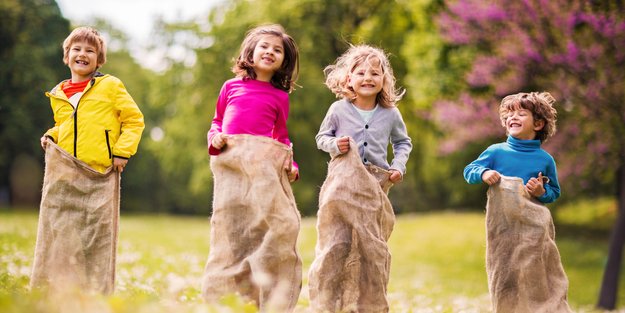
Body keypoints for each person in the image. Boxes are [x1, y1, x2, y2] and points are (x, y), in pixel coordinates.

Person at [31, 26, 145, 295]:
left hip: (99, 172)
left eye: (90, 51)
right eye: (77, 49)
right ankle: (55, 287)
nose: (83, 54)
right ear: (67, 55)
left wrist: (121, 151)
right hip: (67, 173)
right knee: (61, 232)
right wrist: (52, 134)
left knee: (95, 236)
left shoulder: (110, 86)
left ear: (99, 59)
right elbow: (66, 126)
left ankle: (93, 291)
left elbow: (134, 120)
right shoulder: (58, 94)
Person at [201, 24, 302, 312]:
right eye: (264, 46)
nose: (270, 52)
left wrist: (290, 163)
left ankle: (267, 292)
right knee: (231, 232)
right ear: (251, 52)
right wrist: (214, 138)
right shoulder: (230, 86)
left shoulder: (279, 96)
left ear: (284, 61)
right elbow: (217, 121)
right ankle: (225, 295)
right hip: (231, 168)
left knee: (263, 227)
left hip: (261, 171)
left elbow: (280, 138)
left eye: (277, 50)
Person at [309, 44, 412, 313]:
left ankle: (369, 305)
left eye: (375, 73)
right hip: (342, 183)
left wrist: (397, 166)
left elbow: (403, 143)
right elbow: (322, 138)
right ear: (349, 79)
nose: (368, 78)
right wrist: (334, 145)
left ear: (384, 80)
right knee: (337, 242)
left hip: (375, 185)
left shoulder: (390, 113)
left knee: (371, 244)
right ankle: (328, 303)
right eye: (361, 73)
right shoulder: (338, 109)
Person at [464, 92, 571, 312]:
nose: (513, 117)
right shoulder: (496, 151)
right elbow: (469, 171)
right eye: (509, 114)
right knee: (506, 273)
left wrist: (541, 191)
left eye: (521, 113)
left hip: (534, 229)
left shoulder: (544, 159)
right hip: (503, 228)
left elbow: (553, 192)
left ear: (538, 123)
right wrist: (484, 173)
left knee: (534, 271)